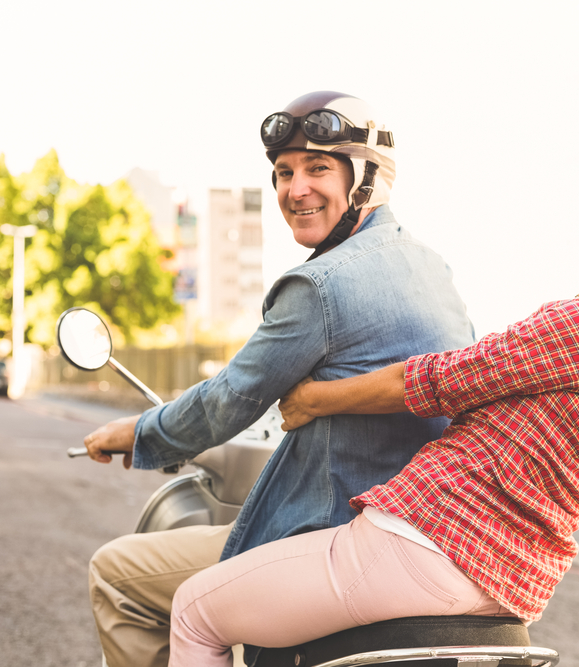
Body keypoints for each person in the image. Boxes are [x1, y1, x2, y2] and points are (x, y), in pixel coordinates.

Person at [164, 130, 579, 665]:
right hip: (502, 580)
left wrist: (313, 401)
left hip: (423, 545)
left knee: (195, 610)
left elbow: (440, 380)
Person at [82, 91, 475, 667]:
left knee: (116, 574)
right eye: (283, 173)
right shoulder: (434, 268)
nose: (295, 190)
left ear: (366, 178)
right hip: (427, 533)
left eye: (318, 168)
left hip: (332, 531)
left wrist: (139, 433)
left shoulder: (318, 286)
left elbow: (228, 399)